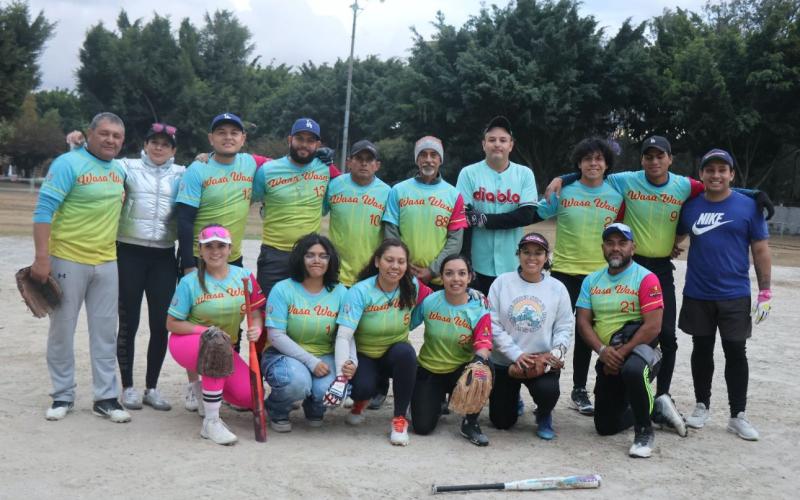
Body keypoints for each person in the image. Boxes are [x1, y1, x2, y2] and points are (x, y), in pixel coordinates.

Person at [547, 135, 773, 408]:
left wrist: (755, 194)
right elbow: (594, 171)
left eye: (660, 156)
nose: (654, 161)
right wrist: (563, 177)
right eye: (649, 156)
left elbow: (717, 186)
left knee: (666, 335)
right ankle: (594, 389)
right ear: (642, 160)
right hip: (631, 265)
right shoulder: (626, 180)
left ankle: (662, 395)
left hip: (662, 269)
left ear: (670, 159)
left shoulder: (683, 185)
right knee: (617, 329)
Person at [33, 112, 131, 423]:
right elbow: (44, 211)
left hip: (106, 261)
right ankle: (62, 394)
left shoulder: (119, 170)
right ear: (89, 134)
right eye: (104, 133)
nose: (110, 140)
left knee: (105, 331)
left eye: (116, 136)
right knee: (62, 328)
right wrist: (42, 258)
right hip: (68, 258)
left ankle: (106, 397)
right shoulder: (68, 164)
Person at [675, 149, 772, 441]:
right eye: (710, 170)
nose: (716, 175)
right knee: (701, 349)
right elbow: (677, 235)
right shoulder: (690, 206)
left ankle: (737, 415)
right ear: (701, 174)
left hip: (734, 293)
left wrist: (765, 291)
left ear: (731, 174)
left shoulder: (749, 207)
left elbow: (761, 251)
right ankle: (701, 405)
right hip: (698, 292)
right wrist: (671, 246)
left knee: (735, 352)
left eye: (722, 170)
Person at [576, 223, 686, 459]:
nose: (616, 248)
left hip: (640, 354)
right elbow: (583, 323)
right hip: (608, 356)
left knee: (634, 371)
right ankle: (654, 409)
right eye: (610, 243)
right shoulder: (592, 281)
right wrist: (603, 351)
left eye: (622, 243)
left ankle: (644, 431)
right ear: (603, 247)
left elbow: (653, 326)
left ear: (633, 248)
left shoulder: (646, 278)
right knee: (604, 427)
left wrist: (621, 352)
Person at [536, 138, 624, 416]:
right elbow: (537, 211)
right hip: (563, 272)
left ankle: (579, 389)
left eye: (599, 159)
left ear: (607, 164)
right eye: (588, 159)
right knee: (551, 330)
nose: (593, 163)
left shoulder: (617, 193)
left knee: (588, 334)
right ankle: (543, 385)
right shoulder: (564, 190)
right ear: (579, 163)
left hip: (598, 276)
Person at [166, 224, 265, 445]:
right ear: (200, 251)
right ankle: (211, 422)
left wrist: (256, 328)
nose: (215, 251)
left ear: (230, 249)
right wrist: (205, 331)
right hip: (187, 343)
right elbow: (172, 324)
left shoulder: (244, 277)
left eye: (221, 246)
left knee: (251, 395)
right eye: (208, 246)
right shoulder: (189, 282)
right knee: (216, 343)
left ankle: (205, 389)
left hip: (223, 347)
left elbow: (256, 314)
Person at [333, 239, 432, 446]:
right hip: (364, 354)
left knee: (407, 354)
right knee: (362, 387)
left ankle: (399, 419)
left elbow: (438, 299)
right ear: (377, 261)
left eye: (401, 261)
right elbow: (344, 335)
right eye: (389, 260)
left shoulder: (411, 285)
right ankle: (360, 401)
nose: (395, 266)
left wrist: (470, 295)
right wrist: (343, 372)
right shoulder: (360, 291)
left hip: (394, 352)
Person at [488, 233, 574, 440]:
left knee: (548, 391)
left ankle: (543, 413)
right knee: (501, 423)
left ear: (546, 257)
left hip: (540, 360)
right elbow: (492, 325)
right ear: (518, 254)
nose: (531, 258)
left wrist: (556, 354)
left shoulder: (557, 288)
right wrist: (516, 354)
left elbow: (564, 327)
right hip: (505, 362)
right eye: (526, 252)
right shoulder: (502, 283)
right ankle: (514, 397)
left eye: (538, 253)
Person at [262, 234, 348, 432]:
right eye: (310, 255)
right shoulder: (283, 289)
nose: (317, 260)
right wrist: (311, 362)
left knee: (333, 390)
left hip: (324, 355)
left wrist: (347, 364)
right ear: (300, 258)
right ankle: (277, 409)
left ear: (331, 260)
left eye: (323, 256)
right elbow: (275, 336)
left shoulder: (340, 292)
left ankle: (315, 406)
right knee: (297, 383)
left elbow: (346, 334)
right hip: (283, 355)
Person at [253, 118, 341, 301]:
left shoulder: (325, 169)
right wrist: (210, 156)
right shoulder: (268, 170)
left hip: (309, 255)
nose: (304, 145)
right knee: (266, 311)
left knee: (303, 315)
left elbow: (341, 188)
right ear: (289, 140)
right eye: (300, 138)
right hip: (274, 255)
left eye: (310, 141)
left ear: (318, 144)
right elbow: (248, 199)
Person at [409, 255, 493, 446]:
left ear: (470, 277)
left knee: (484, 367)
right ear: (441, 277)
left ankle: (470, 422)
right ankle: (437, 402)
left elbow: (484, 344)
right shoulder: (430, 301)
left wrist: (479, 362)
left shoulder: (479, 305)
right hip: (430, 369)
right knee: (422, 428)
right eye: (449, 273)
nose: (456, 279)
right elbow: (407, 324)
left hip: (460, 370)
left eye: (462, 273)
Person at [456, 116, 539, 294]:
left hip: (514, 262)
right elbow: (464, 218)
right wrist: (464, 259)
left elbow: (525, 216)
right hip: (477, 262)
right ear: (483, 144)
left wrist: (482, 219)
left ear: (511, 145)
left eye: (503, 140)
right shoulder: (468, 173)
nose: (497, 144)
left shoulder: (524, 174)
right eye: (492, 140)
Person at [383, 136, 468, 287]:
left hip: (438, 279)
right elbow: (391, 233)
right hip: (403, 276)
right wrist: (404, 264)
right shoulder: (398, 191)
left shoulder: (454, 195)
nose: (428, 159)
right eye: (423, 154)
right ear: (417, 160)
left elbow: (455, 240)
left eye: (433, 155)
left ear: (440, 160)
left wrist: (432, 270)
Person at [324, 139, 391, 287]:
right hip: (336, 272)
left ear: (377, 165)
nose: (364, 163)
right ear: (349, 162)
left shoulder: (387, 192)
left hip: (370, 275)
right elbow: (316, 213)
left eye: (369, 159)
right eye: (359, 158)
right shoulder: (335, 185)